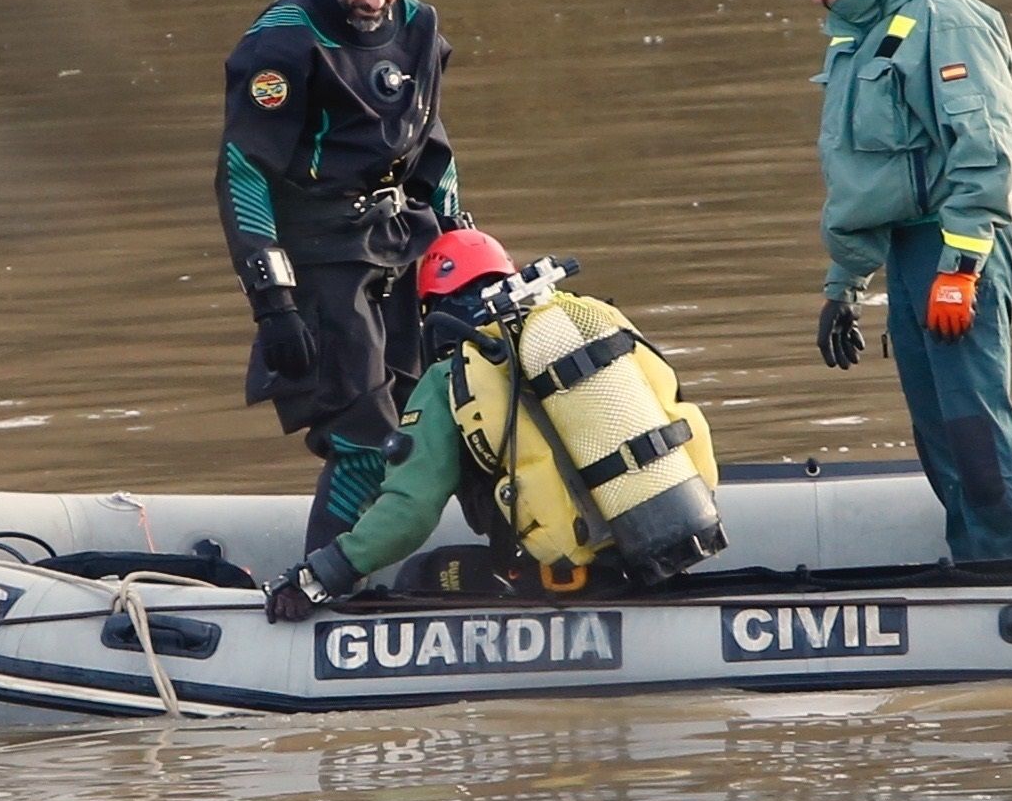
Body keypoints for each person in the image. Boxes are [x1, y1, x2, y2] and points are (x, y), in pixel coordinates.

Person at [264, 229, 723, 621]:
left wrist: (318, 576)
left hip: (558, 584)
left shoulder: (453, 376)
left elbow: (409, 513)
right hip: (652, 556)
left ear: (434, 311)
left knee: (423, 575)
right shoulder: (578, 337)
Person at [794, 0, 1012, 562]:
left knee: (973, 431)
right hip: (906, 251)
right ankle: (974, 559)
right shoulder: (867, 33)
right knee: (937, 433)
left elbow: (990, 152)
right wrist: (844, 285)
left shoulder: (946, 19)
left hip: (956, 246)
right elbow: (868, 180)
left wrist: (960, 270)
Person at [218, 0, 468, 552]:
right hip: (322, 259)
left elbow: (432, 148)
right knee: (363, 441)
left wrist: (458, 243)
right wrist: (272, 300)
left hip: (400, 247)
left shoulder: (418, 27)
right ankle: (322, 591)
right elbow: (243, 172)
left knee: (426, 421)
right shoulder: (284, 43)